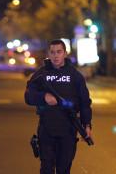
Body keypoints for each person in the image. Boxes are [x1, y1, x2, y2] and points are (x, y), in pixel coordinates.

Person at [24, 39, 92, 174]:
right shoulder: (41, 74)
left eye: (59, 52)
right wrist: (43, 97)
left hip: (68, 128)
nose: (55, 56)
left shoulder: (75, 76)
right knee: (46, 169)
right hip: (47, 128)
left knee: (64, 169)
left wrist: (87, 124)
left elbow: (85, 102)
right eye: (53, 52)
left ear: (65, 53)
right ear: (49, 53)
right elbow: (28, 96)